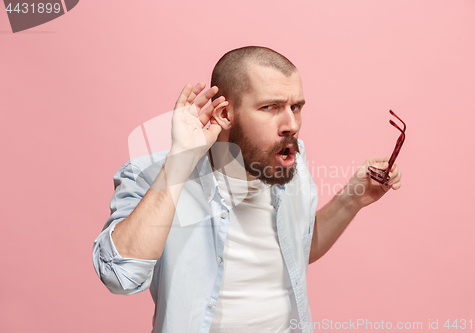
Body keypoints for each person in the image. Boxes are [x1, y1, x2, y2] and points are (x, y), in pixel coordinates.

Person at [93, 46, 402, 333]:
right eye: (271, 107)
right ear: (225, 114)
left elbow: (297, 249)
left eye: (296, 107)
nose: (291, 124)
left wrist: (352, 199)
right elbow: (120, 276)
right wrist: (179, 163)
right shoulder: (154, 176)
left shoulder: (291, 159)